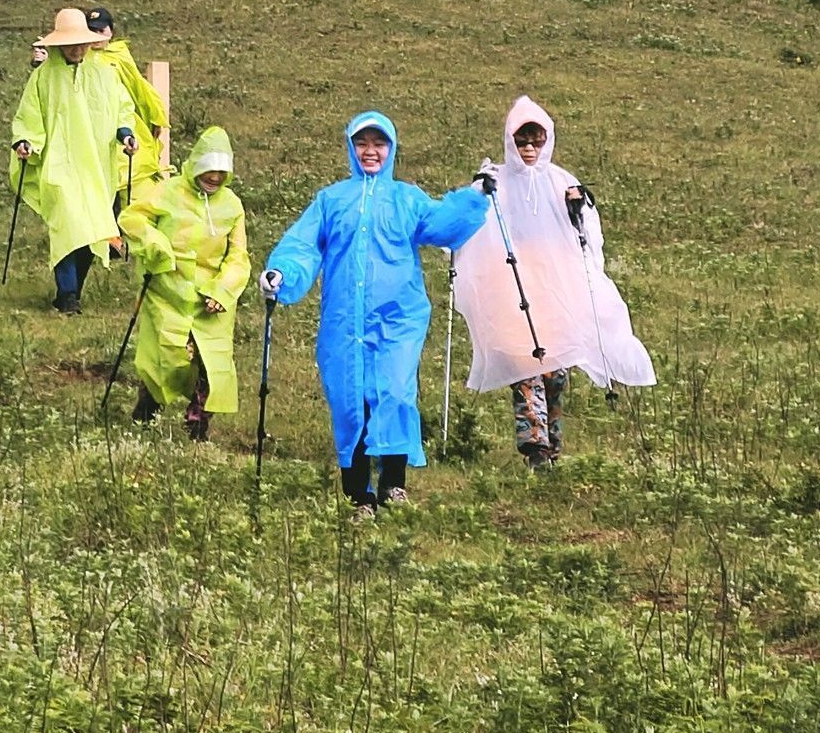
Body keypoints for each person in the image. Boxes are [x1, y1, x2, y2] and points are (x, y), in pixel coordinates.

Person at [261, 111, 488, 516]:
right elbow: (303, 246)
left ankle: (393, 485)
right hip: (344, 322)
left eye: (378, 144)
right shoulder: (331, 200)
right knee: (351, 399)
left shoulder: (407, 198)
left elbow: (441, 225)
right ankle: (358, 494)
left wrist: (473, 196)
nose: (371, 152)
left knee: (395, 391)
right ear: (351, 148)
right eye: (362, 144)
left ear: (391, 148)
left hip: (398, 319)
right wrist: (283, 273)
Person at [451, 97, 655, 470]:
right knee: (525, 368)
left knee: (554, 372)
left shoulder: (562, 181)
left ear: (547, 140)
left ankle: (552, 444)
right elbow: (469, 224)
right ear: (511, 142)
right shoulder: (497, 180)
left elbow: (589, 236)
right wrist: (478, 192)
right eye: (522, 141)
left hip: (554, 291)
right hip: (511, 287)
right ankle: (535, 448)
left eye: (536, 141)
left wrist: (579, 209)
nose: (529, 149)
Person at [119, 127, 249, 441]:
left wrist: (222, 290)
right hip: (167, 293)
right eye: (209, 169)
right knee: (165, 359)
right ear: (196, 164)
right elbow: (131, 218)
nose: (215, 177)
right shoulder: (168, 191)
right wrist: (155, 244)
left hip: (210, 302)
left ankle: (197, 428)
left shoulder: (232, 205)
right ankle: (145, 415)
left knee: (212, 367)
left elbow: (238, 257)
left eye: (221, 172)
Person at [11, 9, 135, 314]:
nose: (77, 49)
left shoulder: (105, 75)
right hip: (59, 166)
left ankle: (72, 291)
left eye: (81, 42)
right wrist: (25, 141)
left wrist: (125, 133)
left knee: (93, 231)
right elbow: (29, 115)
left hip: (95, 167)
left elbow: (121, 108)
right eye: (70, 44)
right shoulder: (42, 78)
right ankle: (68, 296)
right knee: (67, 226)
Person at [85, 7, 168, 216]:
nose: (95, 37)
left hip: (121, 124)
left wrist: (155, 117)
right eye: (91, 31)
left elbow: (138, 87)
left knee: (128, 178)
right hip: (90, 129)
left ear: (110, 32)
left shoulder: (118, 57)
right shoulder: (78, 57)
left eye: (100, 31)